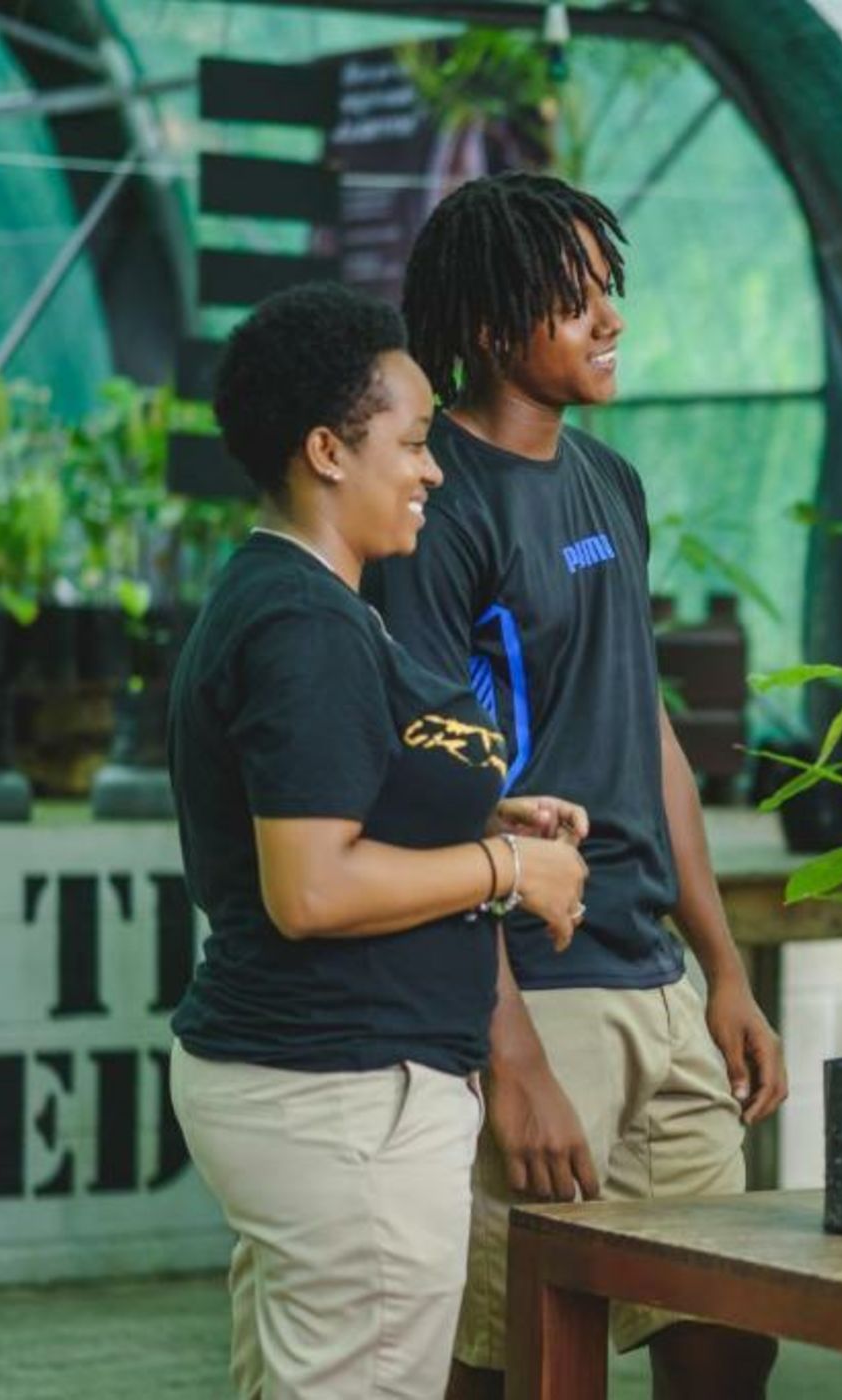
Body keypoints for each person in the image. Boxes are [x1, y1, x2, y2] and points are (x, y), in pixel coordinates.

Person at [370, 172, 788, 1400]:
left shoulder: (609, 480)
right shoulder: (429, 506)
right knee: (523, 1360)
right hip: (533, 990)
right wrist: (514, 1059)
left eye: (610, 289)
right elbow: (424, 796)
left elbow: (642, 723)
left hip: (654, 981)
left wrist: (721, 967)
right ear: (496, 326)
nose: (611, 316)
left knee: (725, 1338)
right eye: (577, 297)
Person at [167, 281, 590, 1400]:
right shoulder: (304, 624)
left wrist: (480, 812)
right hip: (342, 1090)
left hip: (322, 1083)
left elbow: (341, 794)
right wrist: (512, 868)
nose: (434, 468)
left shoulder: (306, 600)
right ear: (326, 451)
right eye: (410, 441)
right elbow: (309, 884)